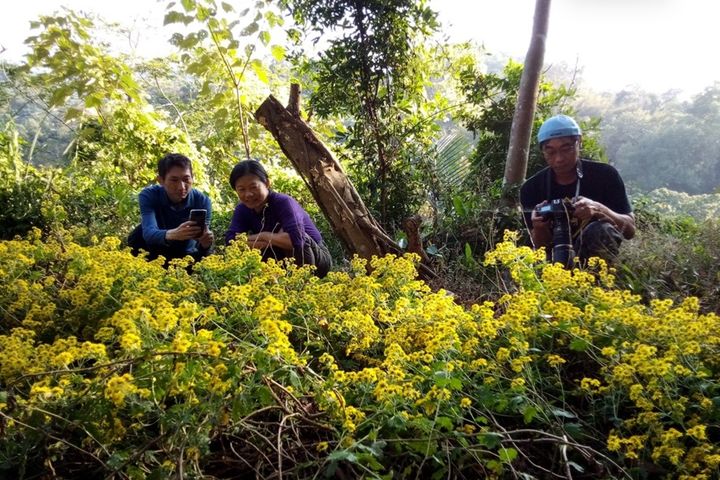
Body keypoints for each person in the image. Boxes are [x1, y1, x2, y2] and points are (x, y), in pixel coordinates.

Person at [520, 114, 635, 265]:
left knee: (600, 230)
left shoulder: (605, 175)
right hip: (553, 260)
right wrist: (539, 227)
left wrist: (598, 209)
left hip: (592, 256)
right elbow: (538, 246)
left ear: (579, 142)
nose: (559, 158)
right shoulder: (532, 187)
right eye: (551, 152)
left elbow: (630, 230)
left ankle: (596, 280)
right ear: (542, 151)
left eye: (566, 148)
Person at [225, 160, 331, 277]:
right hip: (280, 261)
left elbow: (296, 240)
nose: (248, 194)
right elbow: (231, 241)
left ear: (267, 183)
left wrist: (264, 236)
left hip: (317, 259)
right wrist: (271, 240)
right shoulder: (242, 209)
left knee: (301, 238)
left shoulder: (283, 202)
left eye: (253, 187)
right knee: (259, 250)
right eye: (241, 189)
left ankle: (305, 280)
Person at [127, 153, 214, 263]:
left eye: (186, 179)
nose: (181, 187)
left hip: (185, 255)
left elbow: (201, 244)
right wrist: (174, 234)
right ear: (161, 181)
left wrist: (205, 243)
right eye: (174, 180)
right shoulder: (149, 195)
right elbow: (149, 233)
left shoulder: (202, 201)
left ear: (193, 178)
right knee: (138, 234)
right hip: (152, 250)